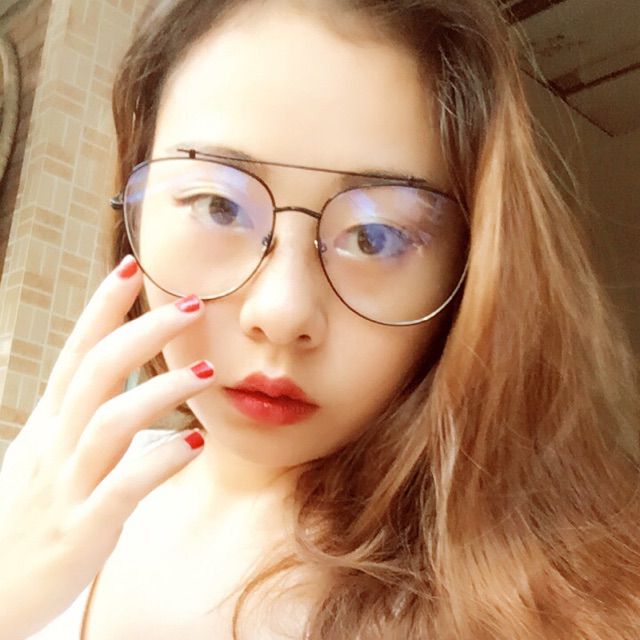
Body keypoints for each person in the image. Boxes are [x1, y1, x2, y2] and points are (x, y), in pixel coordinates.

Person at [1, 0, 639, 638]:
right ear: (132, 210)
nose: (282, 314)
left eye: (376, 236)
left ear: (472, 269)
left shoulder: (523, 603)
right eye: (218, 206)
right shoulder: (48, 495)